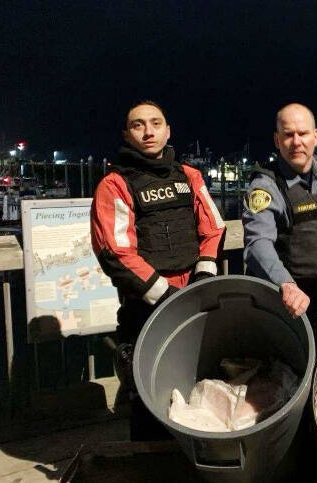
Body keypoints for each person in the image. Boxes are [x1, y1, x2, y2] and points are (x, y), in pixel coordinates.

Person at [91, 100, 226, 439]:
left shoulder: (189, 176)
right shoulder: (115, 184)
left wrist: (205, 272)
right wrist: (164, 294)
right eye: (138, 125)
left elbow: (213, 227)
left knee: (198, 385)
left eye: (155, 123)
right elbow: (115, 251)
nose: (148, 131)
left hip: (194, 299)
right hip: (146, 307)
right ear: (127, 134)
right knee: (149, 397)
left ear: (168, 130)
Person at [242, 103, 317, 344]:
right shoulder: (265, 185)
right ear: (277, 140)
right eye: (288, 135)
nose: (297, 141)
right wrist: (286, 285)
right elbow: (257, 243)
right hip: (283, 293)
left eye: (303, 133)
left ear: (315, 136)